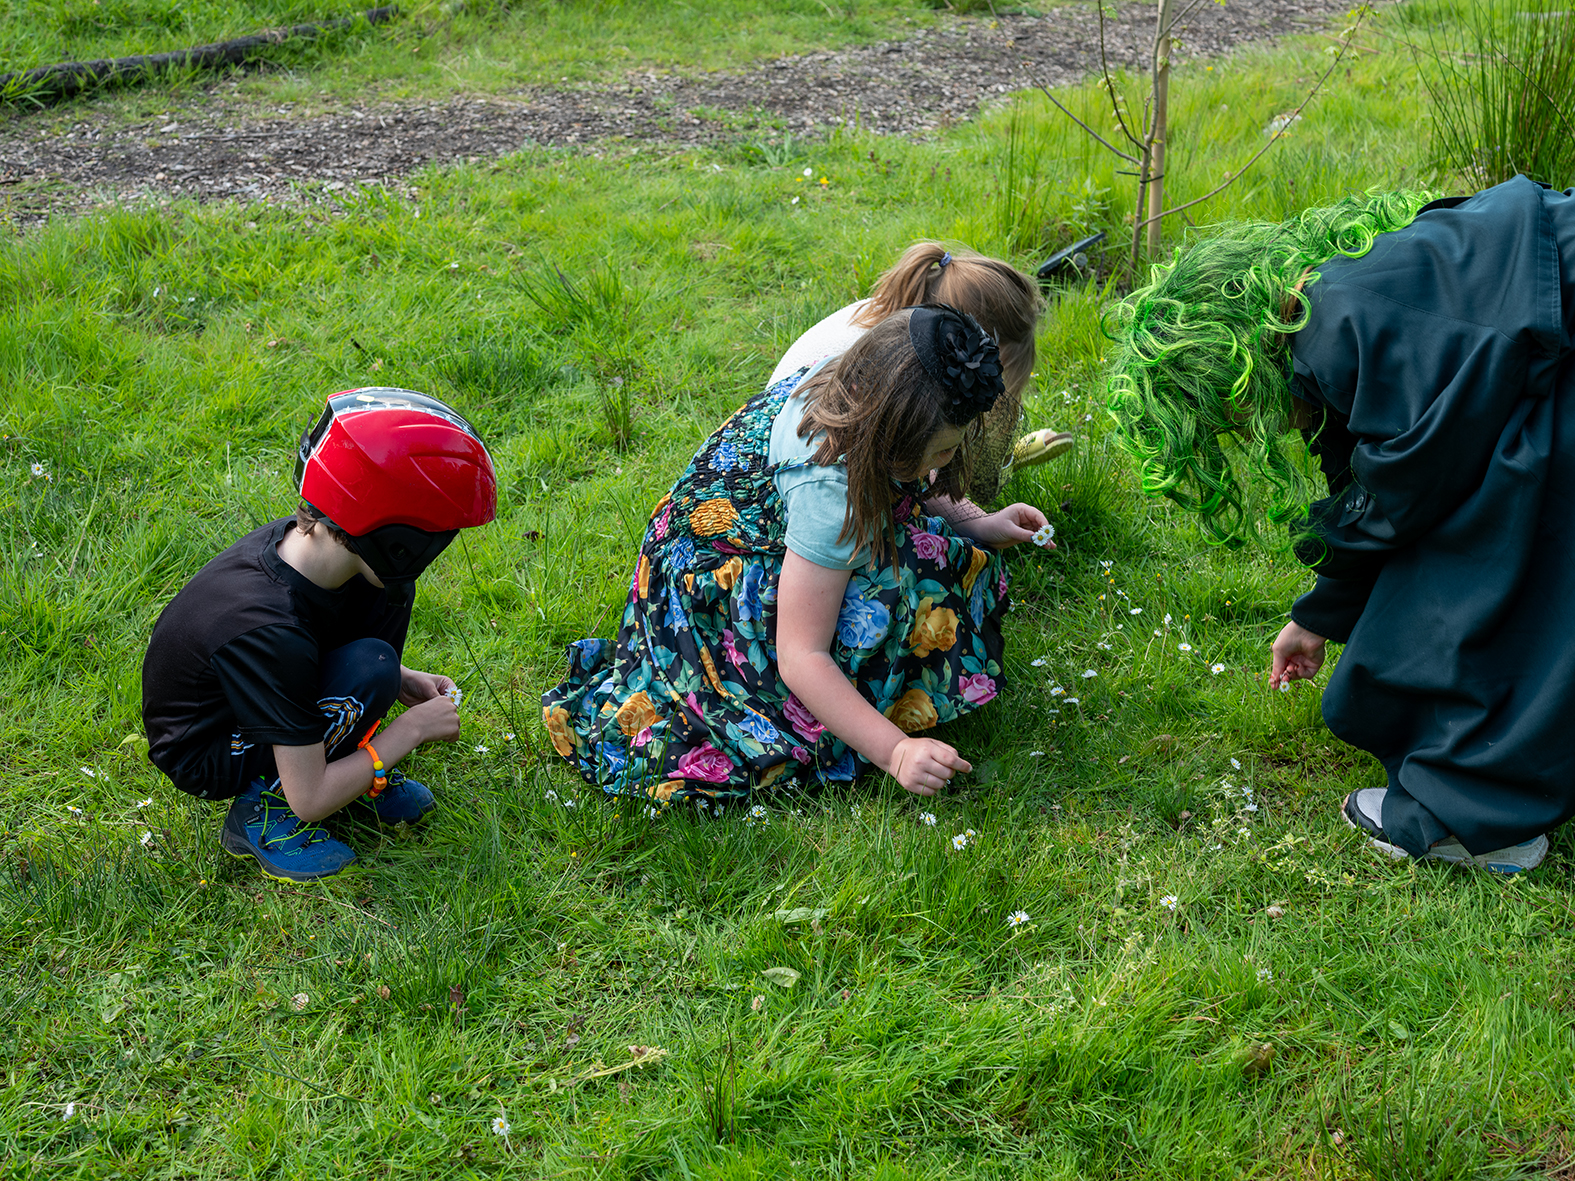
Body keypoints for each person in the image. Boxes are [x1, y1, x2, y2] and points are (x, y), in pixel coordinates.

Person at [1106, 176, 1575, 874]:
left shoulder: (1336, 330)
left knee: (1493, 547)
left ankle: (1470, 815)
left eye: (1234, 414)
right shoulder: (1334, 296)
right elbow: (1366, 473)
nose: (1250, 427)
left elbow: (1405, 490)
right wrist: (1320, 612)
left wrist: (1342, 606)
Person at [543, 306, 1051, 805]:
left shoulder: (856, 381)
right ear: (892, 435)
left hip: (736, 536)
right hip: (706, 602)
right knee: (902, 588)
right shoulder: (830, 496)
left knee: (933, 554)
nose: (945, 463)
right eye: (942, 452)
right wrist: (894, 751)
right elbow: (801, 657)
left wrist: (976, 524)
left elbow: (915, 475)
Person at [141, 388, 497, 881]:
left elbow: (322, 644)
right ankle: (262, 809)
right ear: (398, 539)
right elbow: (311, 801)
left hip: (273, 688)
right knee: (316, 770)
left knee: (378, 655)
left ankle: (346, 764)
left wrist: (399, 679)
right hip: (212, 745)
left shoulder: (347, 561)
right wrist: (407, 732)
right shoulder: (269, 628)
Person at [768, 242, 1073, 505]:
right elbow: (903, 460)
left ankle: (996, 462)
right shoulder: (891, 373)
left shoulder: (899, 326)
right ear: (959, 350)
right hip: (805, 468)